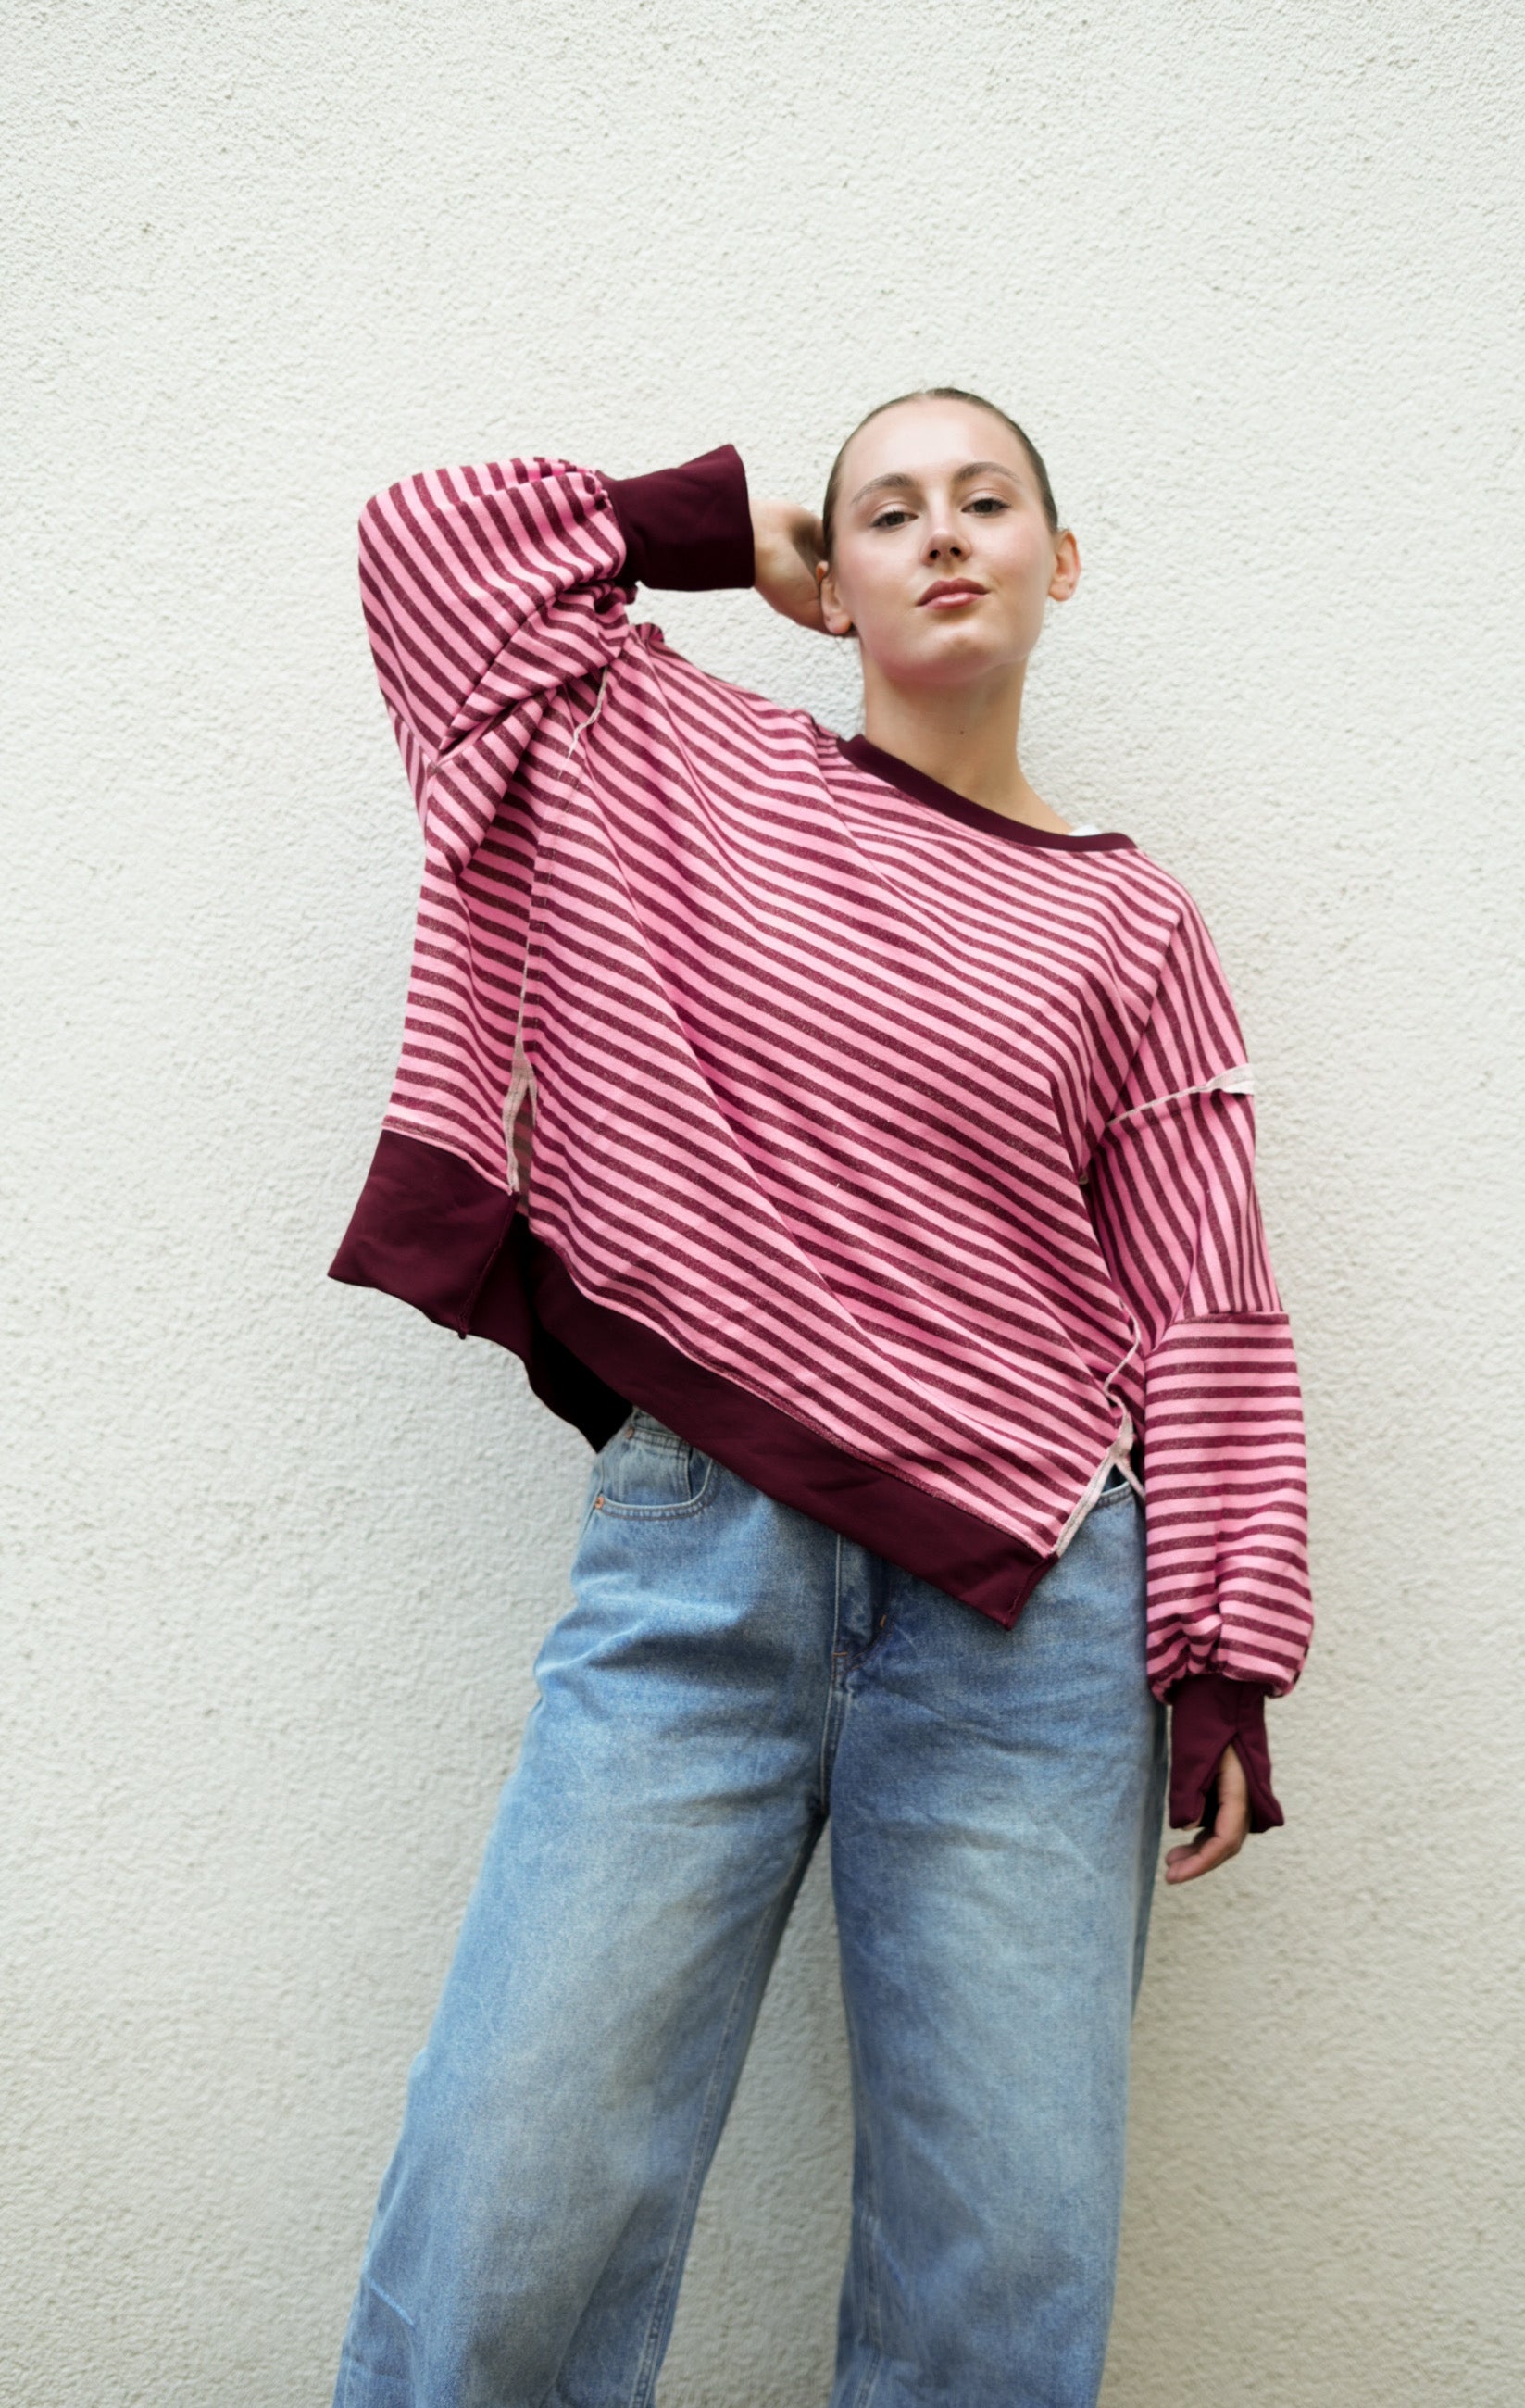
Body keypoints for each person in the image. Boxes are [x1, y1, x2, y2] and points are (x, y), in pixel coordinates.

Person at [327, 388, 1312, 2408]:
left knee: (993, 2285)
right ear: (834, 580)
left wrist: (1224, 1651)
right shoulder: (685, 765)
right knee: (505, 2214)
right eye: (890, 510)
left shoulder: (1133, 921)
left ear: (1061, 560)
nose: (943, 533)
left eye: (988, 501)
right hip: (695, 1568)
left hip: (1029, 1613)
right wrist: (719, 531)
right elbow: (427, 547)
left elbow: (1208, 1295)